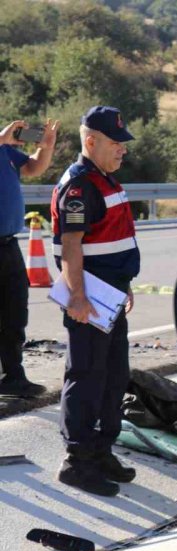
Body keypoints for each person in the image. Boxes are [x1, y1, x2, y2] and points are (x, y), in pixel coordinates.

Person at [51, 106, 140, 497]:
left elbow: (111, 240)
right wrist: (77, 298)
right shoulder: (80, 186)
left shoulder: (105, 178)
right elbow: (71, 247)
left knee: (113, 375)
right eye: (115, 143)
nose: (122, 150)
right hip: (90, 297)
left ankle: (100, 450)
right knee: (86, 377)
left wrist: (126, 284)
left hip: (111, 293)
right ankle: (76, 461)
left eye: (123, 143)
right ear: (91, 142)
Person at [0, 118, 59, 398]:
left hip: (7, 244)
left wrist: (45, 147)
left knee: (14, 313)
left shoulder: (5, 150)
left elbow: (33, 167)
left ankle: (12, 376)